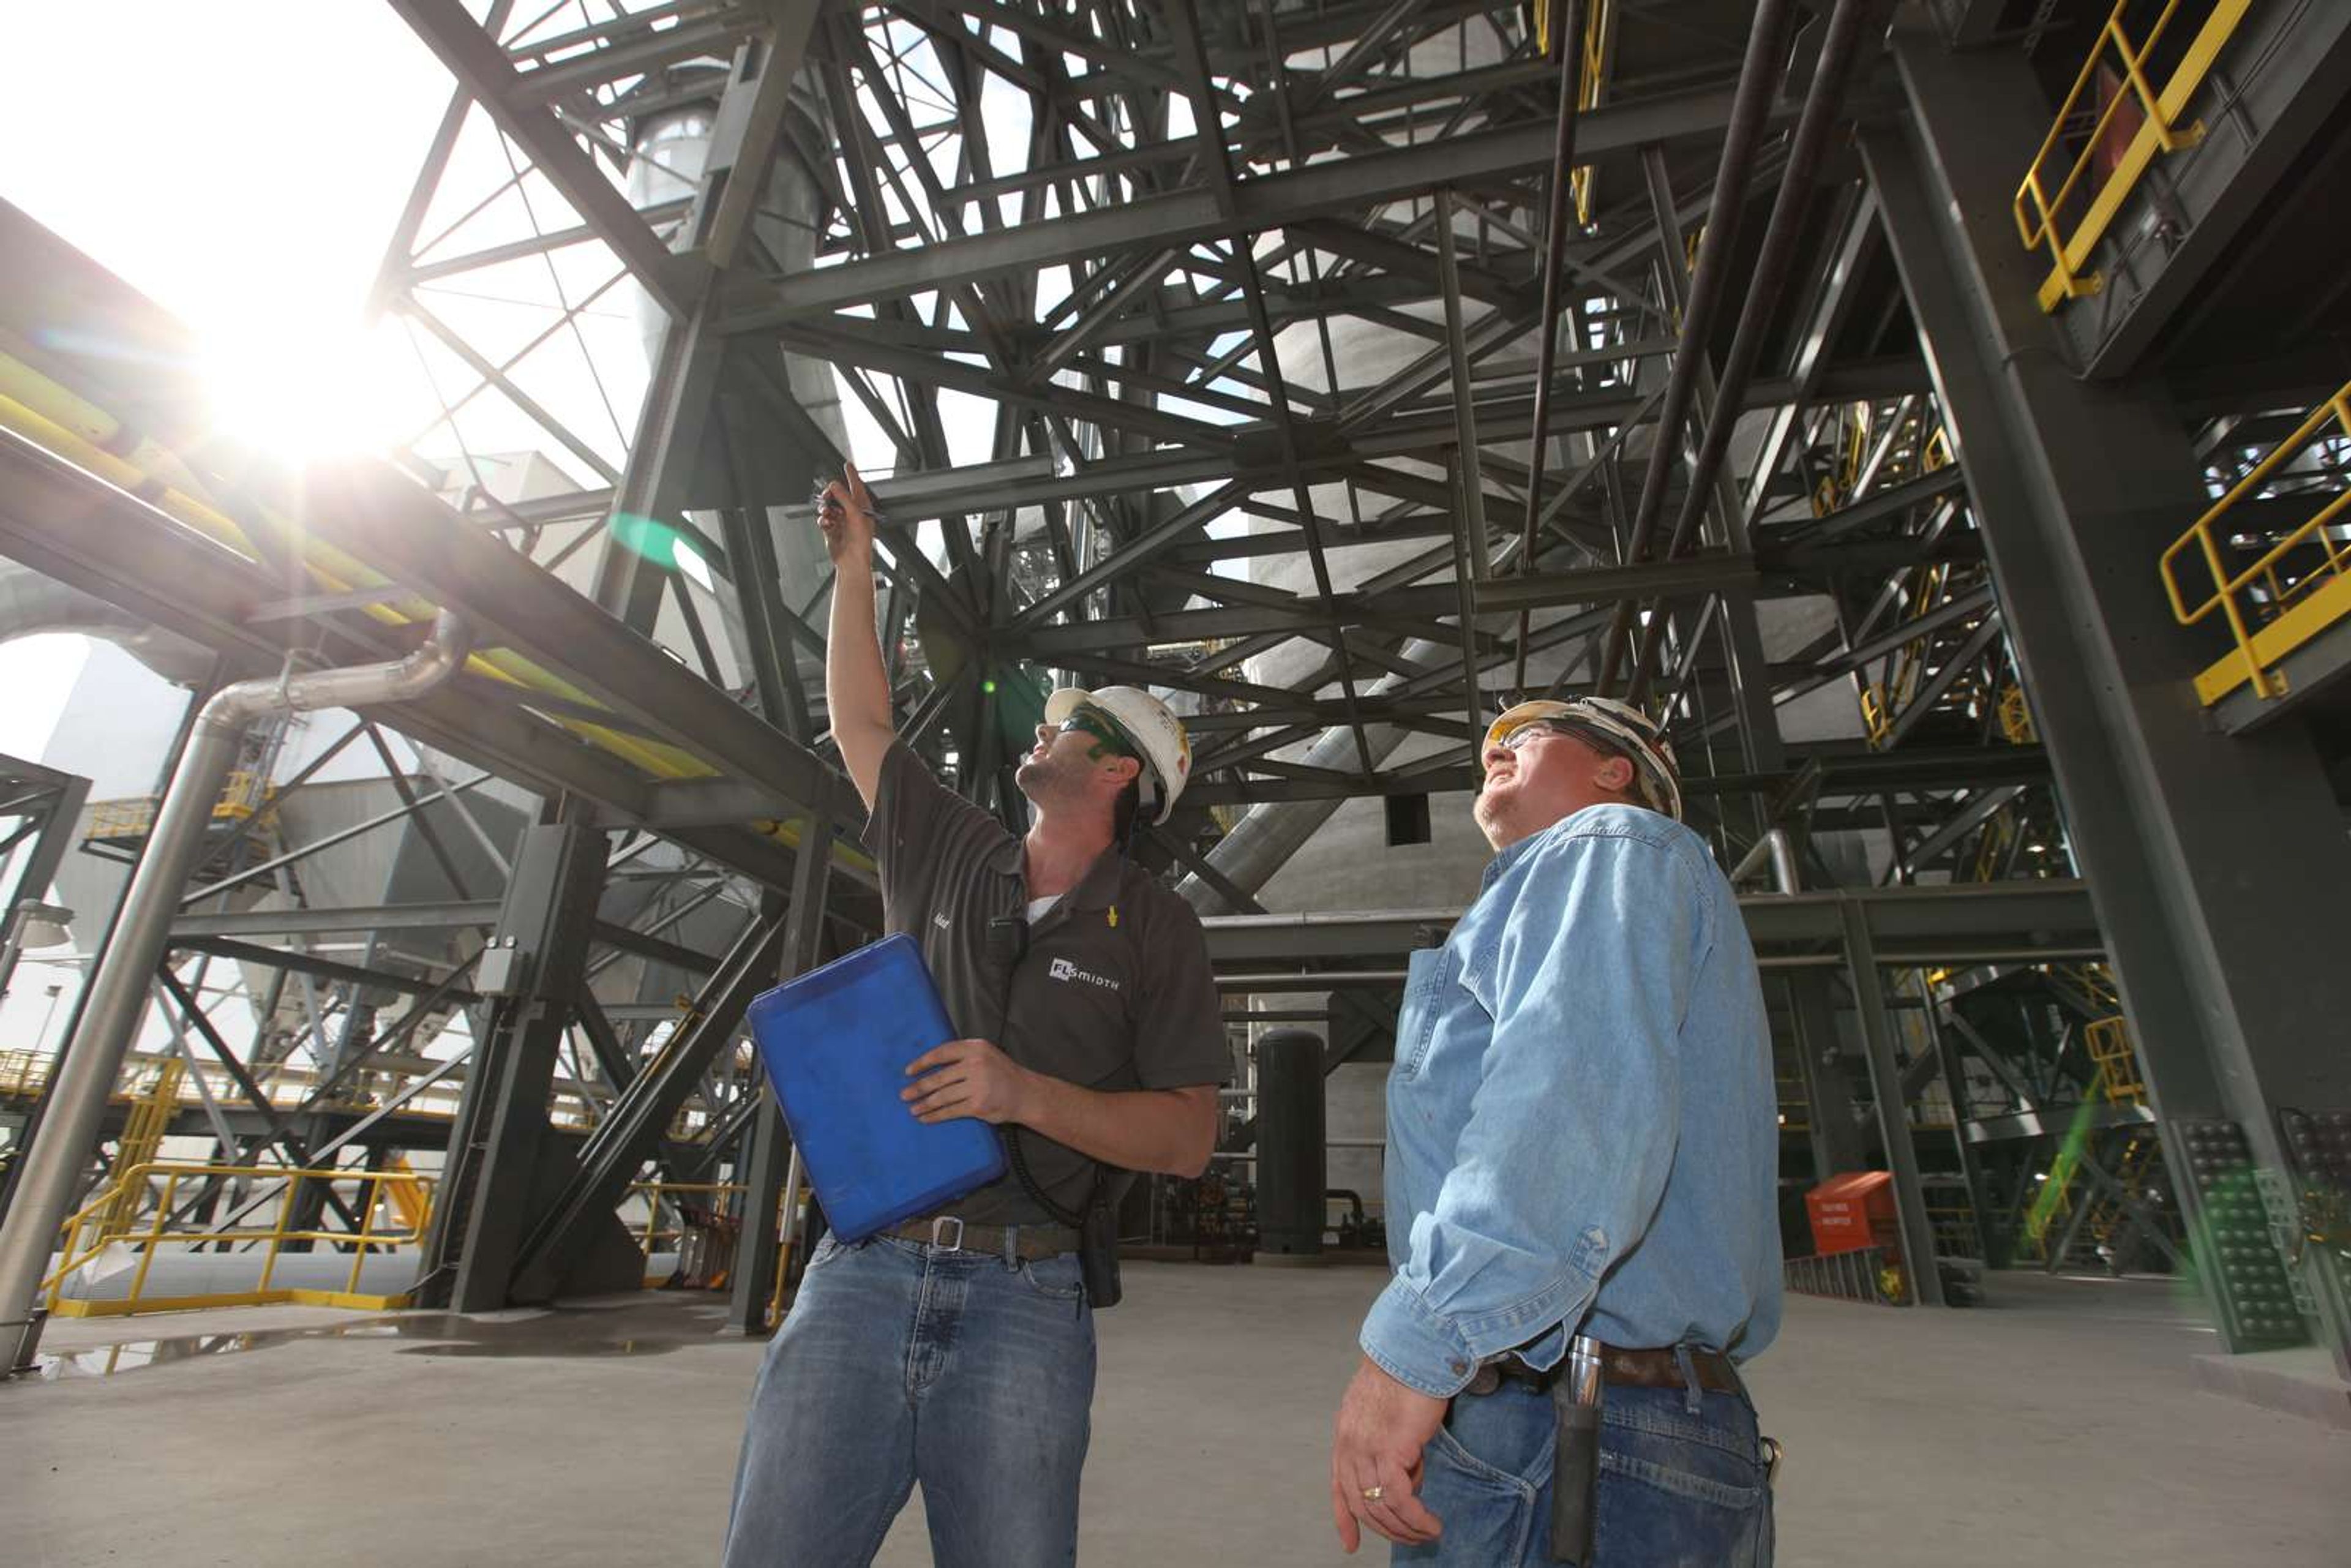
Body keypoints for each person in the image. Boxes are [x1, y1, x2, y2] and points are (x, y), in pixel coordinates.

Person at [722, 465, 1229, 1568]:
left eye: (1070, 727)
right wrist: (855, 566)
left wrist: (1024, 1093)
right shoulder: (951, 847)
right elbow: (860, 722)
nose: (1042, 733)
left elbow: (1190, 1136)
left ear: (1121, 772)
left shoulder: (1157, 926)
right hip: (862, 1272)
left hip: (1025, 1296)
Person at [1328, 697, 1781, 1566]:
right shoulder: (1582, 892)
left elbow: (1564, 1113)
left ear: (1616, 769)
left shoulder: (1611, 843)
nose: (1493, 749)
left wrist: (1417, 1347)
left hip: (1574, 1428)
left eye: (1527, 736)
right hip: (1622, 1422)